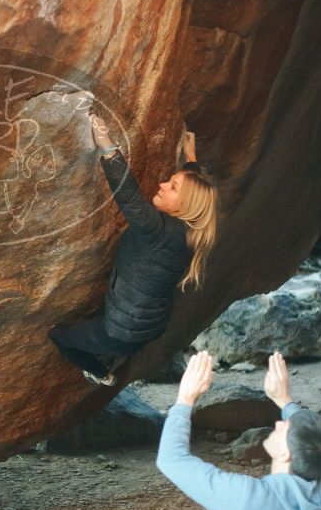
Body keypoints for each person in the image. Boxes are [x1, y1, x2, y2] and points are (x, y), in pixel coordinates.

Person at [48, 115, 218, 386]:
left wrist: (107, 146)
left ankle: (101, 374)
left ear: (184, 203)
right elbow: (196, 191)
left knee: (58, 335)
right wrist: (190, 157)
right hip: (148, 327)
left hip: (119, 333)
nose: (162, 184)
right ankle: (106, 352)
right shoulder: (194, 232)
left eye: (172, 186)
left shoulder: (156, 230)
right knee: (101, 328)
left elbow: (128, 196)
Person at [157, 351, 321, 510]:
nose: (279, 424)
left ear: (285, 452)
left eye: (284, 428)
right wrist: (284, 400)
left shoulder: (249, 500)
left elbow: (171, 459)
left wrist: (185, 399)